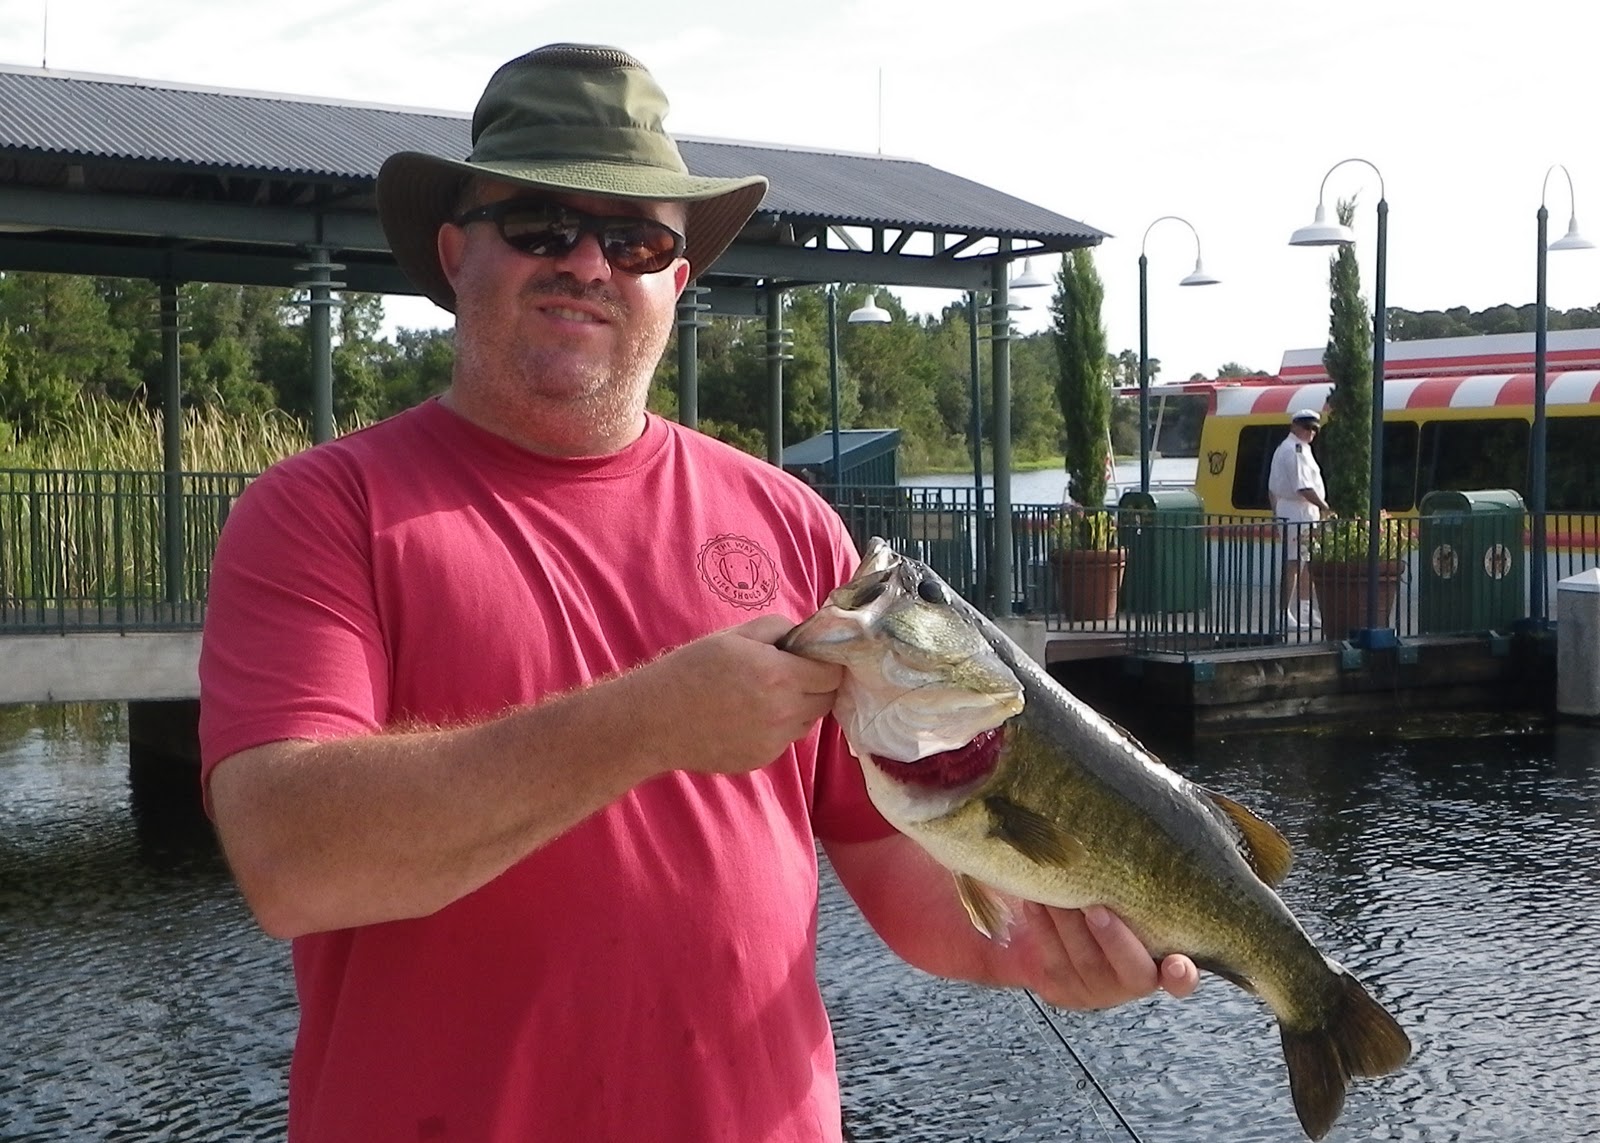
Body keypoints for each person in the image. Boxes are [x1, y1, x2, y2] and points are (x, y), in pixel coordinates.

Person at [198, 43, 1199, 1143]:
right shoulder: (318, 512)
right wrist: (642, 723)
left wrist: (1049, 949)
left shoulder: (791, 523)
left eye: (634, 239)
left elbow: (912, 883)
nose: (587, 262)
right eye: (540, 223)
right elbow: (291, 862)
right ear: (454, 253)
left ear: (676, 280)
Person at [1268, 408, 1333, 628]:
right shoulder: (1293, 450)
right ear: (1294, 426)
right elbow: (1303, 487)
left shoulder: (1300, 448)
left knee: (1307, 563)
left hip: (1303, 510)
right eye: (1307, 427)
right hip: (1297, 510)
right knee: (1294, 562)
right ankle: (1283, 613)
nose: (1311, 432)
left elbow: (1272, 489)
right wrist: (1325, 507)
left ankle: (1305, 610)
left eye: (1315, 429)